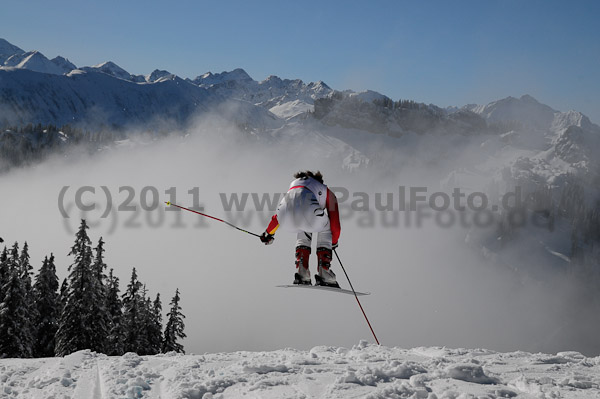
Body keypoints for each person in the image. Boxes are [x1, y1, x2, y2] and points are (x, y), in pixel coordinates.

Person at [260, 171, 341, 287]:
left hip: (285, 218)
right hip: (309, 214)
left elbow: (276, 217)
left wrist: (268, 234)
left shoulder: (293, 187)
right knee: (325, 225)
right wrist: (333, 242)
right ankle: (324, 273)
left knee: (304, 226)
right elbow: (335, 223)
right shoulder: (325, 190)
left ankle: (302, 272)